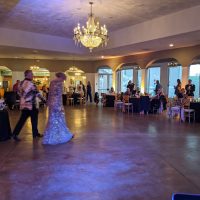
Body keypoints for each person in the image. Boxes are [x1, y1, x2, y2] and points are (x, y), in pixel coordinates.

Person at [12, 70, 46, 141]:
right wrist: (45, 101)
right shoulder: (31, 84)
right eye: (31, 74)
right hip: (31, 105)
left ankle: (15, 134)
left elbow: (18, 93)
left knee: (21, 120)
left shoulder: (20, 83)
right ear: (27, 75)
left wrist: (24, 98)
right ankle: (35, 134)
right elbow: (37, 94)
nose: (32, 75)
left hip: (24, 105)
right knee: (34, 120)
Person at [42, 72, 73, 145]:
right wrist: (61, 106)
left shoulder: (52, 82)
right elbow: (59, 96)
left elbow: (50, 94)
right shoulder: (60, 83)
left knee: (52, 119)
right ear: (62, 78)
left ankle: (50, 137)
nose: (63, 81)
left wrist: (48, 103)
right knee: (59, 120)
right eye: (63, 79)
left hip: (52, 104)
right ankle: (59, 137)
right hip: (57, 104)